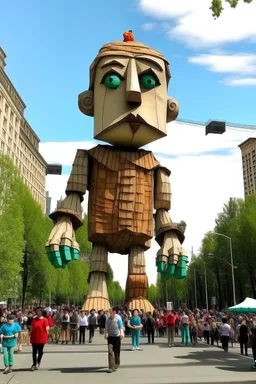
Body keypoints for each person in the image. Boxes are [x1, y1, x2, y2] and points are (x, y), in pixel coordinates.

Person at [104, 308, 124, 373]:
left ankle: (117, 362)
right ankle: (111, 367)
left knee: (117, 352)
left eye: (111, 313)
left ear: (114, 312)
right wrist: (106, 333)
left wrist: (121, 333)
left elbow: (121, 327)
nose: (110, 314)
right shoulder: (107, 319)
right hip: (110, 337)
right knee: (110, 351)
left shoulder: (118, 318)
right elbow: (106, 327)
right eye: (109, 313)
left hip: (117, 337)